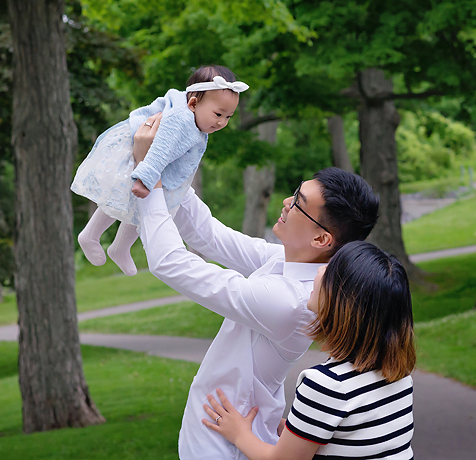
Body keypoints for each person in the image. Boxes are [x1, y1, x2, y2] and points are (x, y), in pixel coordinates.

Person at [132, 118, 381, 460]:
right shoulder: (290, 262)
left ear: (322, 238)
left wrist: (148, 178)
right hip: (218, 437)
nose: (285, 202)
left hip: (221, 448)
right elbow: (209, 236)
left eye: (299, 203)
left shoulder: (290, 302)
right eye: (296, 192)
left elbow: (171, 264)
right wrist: (168, 162)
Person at [201, 241, 416, 460]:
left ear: (344, 303)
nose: (320, 269)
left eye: (331, 271)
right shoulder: (399, 376)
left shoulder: (327, 386)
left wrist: (239, 434)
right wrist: (299, 431)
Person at [71, 65, 248, 276]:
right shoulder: (180, 121)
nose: (221, 122)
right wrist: (145, 178)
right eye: (218, 114)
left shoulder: (193, 119)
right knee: (123, 196)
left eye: (228, 117)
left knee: (139, 208)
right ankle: (90, 235)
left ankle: (120, 247)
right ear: (193, 103)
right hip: (143, 159)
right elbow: (159, 150)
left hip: (153, 165)